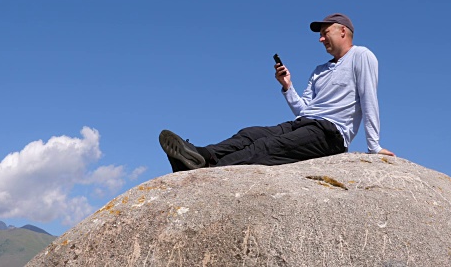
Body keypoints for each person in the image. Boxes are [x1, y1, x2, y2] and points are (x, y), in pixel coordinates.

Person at [159, 13, 395, 172]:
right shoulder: (320, 70)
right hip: (305, 124)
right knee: (249, 134)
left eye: (325, 32)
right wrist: (288, 86)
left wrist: (373, 146)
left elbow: (369, 100)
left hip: (331, 134)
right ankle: (199, 154)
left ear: (343, 31)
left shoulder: (361, 56)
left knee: (267, 147)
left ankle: (205, 171)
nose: (321, 38)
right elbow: (305, 110)